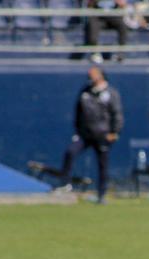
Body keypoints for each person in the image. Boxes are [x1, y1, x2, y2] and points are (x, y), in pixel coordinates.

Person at [57, 66, 123, 204]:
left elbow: (117, 114)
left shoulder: (111, 93)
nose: (89, 76)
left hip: (103, 134)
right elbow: (78, 112)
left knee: (103, 165)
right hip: (85, 134)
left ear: (101, 75)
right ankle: (65, 183)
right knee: (70, 152)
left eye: (92, 74)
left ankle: (101, 194)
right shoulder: (85, 91)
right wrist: (77, 130)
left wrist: (115, 132)